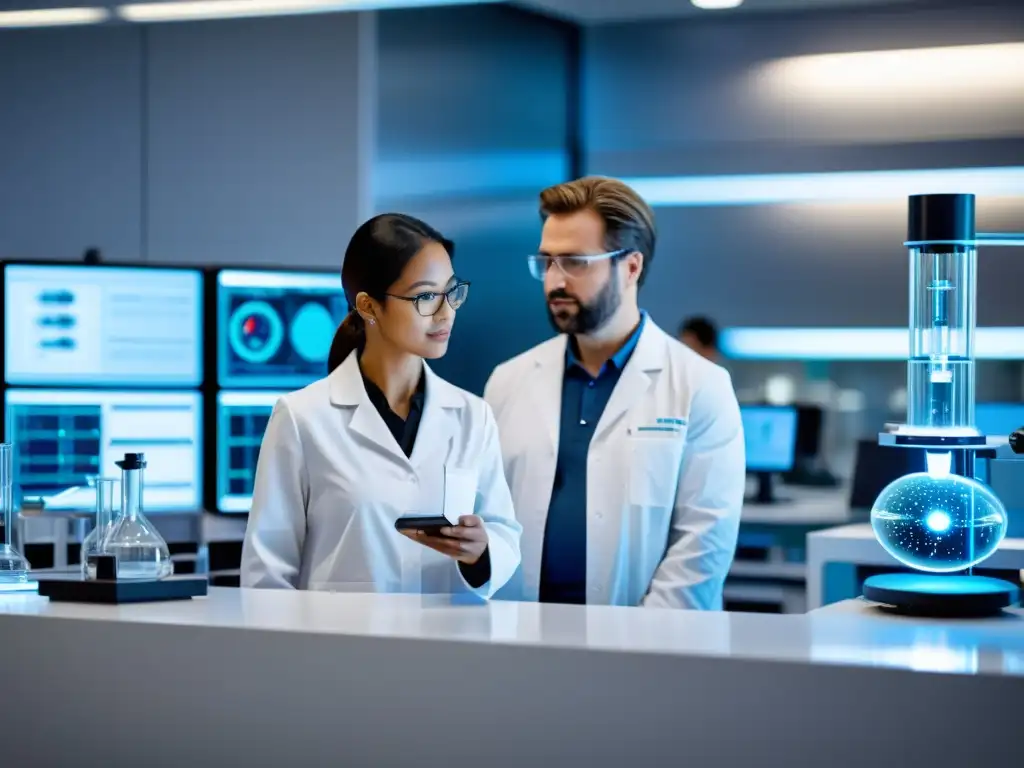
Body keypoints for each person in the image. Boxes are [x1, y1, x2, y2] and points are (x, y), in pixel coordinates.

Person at [484, 176, 744, 609]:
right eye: (547, 262)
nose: (554, 281)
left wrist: (638, 646)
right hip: (523, 637)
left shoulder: (700, 385)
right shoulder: (507, 381)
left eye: (576, 262)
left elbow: (703, 544)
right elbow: (490, 518)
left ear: (631, 267)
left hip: (653, 649)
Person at [242, 213, 522, 595]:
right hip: (339, 649)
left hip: (449, 646)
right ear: (369, 307)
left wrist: (482, 551)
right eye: (425, 296)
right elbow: (266, 577)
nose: (446, 312)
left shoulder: (473, 416)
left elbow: (504, 532)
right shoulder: (302, 418)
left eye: (452, 291)